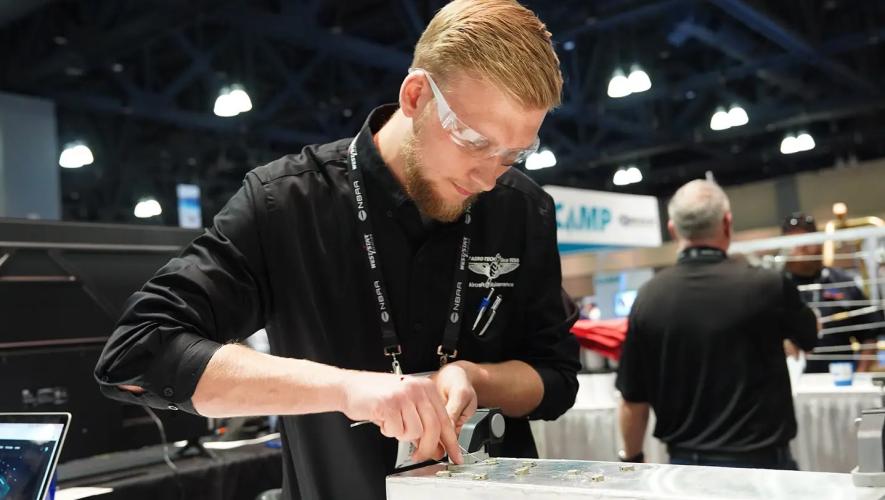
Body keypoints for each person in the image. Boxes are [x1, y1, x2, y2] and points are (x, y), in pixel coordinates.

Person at [93, 1, 580, 498]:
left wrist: (474, 377)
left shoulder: (522, 209)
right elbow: (138, 353)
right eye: (473, 140)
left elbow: (557, 378)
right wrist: (347, 389)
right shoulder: (286, 202)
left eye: (513, 153)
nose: (488, 176)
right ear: (416, 96)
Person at [616, 180, 817, 470]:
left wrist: (631, 459)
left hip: (685, 469)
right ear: (727, 223)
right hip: (765, 467)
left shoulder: (648, 298)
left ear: (673, 230)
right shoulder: (769, 285)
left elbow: (633, 400)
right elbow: (809, 337)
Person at [781, 212, 884, 373]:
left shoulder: (841, 281)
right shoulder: (775, 287)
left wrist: (860, 374)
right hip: (791, 380)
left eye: (806, 239)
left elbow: (870, 333)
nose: (801, 247)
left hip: (840, 378)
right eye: (793, 241)